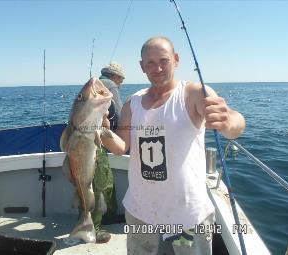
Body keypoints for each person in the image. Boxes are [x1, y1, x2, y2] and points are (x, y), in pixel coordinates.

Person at [100, 37, 245, 254]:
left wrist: (229, 123)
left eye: (163, 60)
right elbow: (121, 146)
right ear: (141, 67)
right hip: (140, 211)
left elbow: (236, 122)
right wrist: (100, 130)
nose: (157, 68)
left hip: (186, 214)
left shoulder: (194, 93)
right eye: (150, 63)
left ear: (176, 60)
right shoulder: (132, 102)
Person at [91, 61, 126, 243]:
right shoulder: (110, 85)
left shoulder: (94, 84)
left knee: (108, 181)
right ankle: (93, 226)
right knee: (99, 185)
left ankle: (110, 215)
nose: (120, 84)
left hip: (91, 142)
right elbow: (119, 116)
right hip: (96, 144)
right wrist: (123, 139)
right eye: (121, 79)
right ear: (114, 76)